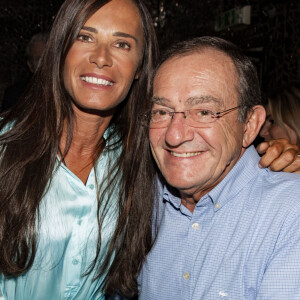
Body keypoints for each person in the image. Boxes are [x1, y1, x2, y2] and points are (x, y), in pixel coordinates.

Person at [0, 0, 158, 299]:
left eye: (122, 44)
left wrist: (271, 162)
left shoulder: (142, 163)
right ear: (60, 51)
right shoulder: (5, 145)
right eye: (85, 37)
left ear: (140, 67)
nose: (101, 58)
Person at [138, 36, 300, 299]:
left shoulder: (289, 214)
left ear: (248, 124)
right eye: (162, 112)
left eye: (203, 112)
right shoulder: (143, 200)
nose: (174, 136)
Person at [1, 32, 48, 112]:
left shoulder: (68, 91)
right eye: (38, 59)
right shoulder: (15, 95)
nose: (43, 63)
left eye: (47, 57)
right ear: (30, 65)